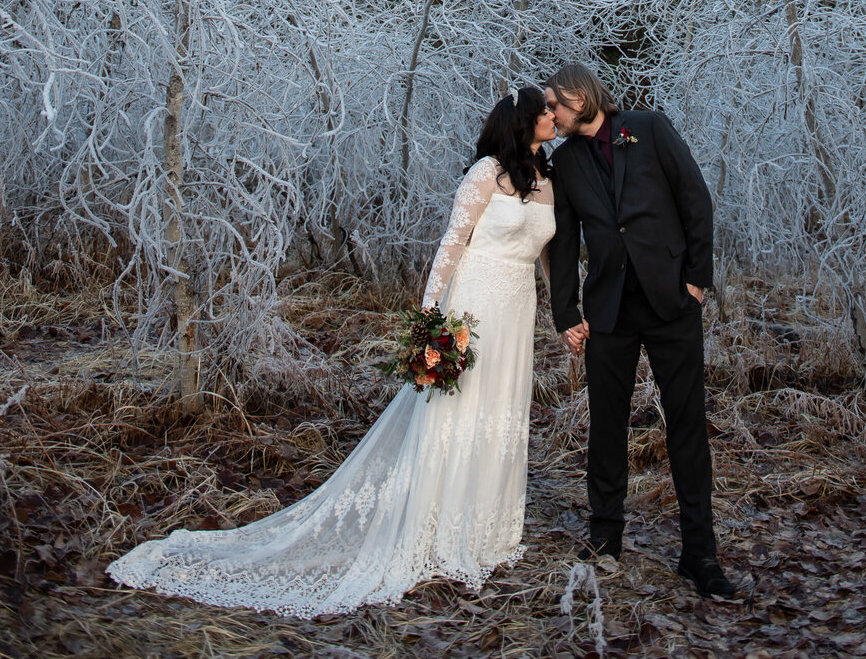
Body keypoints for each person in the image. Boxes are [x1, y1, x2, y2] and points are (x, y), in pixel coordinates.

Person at [107, 87, 556, 618]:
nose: (553, 116)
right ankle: (439, 525)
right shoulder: (485, 173)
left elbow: (548, 255)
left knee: (503, 410)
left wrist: (569, 313)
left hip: (517, 309)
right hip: (475, 303)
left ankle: (490, 528)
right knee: (461, 408)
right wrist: (431, 319)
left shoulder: (548, 181)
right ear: (522, 119)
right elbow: (451, 246)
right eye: (545, 110)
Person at [546, 62, 736, 601]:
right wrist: (565, 314)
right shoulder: (565, 161)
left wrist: (698, 280)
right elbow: (562, 243)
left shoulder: (648, 128)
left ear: (580, 97)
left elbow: (696, 201)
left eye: (556, 104)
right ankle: (605, 540)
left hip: (672, 303)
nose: (551, 114)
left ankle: (699, 554)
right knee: (606, 426)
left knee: (686, 427)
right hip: (609, 312)